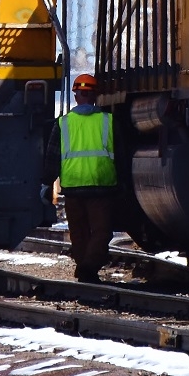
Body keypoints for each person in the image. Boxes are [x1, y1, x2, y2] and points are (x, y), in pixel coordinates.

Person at [42, 73, 116, 283]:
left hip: (73, 186)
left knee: (79, 232)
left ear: (76, 96)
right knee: (102, 231)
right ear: (95, 96)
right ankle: (88, 268)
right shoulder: (108, 121)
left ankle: (85, 269)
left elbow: (52, 156)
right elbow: (120, 153)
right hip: (101, 185)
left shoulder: (63, 123)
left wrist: (46, 183)